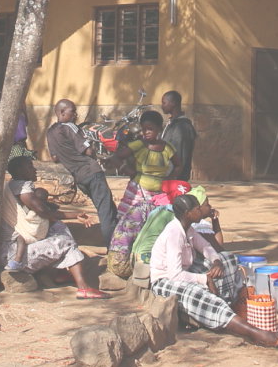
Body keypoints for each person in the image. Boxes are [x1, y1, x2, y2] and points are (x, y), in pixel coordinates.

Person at [148, 194, 278, 347]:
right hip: (165, 281)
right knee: (199, 294)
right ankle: (257, 334)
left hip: (185, 272)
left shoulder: (188, 229)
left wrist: (216, 262)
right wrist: (204, 279)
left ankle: (232, 306)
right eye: (197, 209)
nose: (200, 211)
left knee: (227, 259)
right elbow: (175, 275)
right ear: (187, 214)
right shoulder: (174, 233)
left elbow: (205, 247)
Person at [2, 156, 111, 299]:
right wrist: (74, 214)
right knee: (66, 241)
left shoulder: (11, 186)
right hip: (17, 256)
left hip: (6, 253)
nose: (35, 170)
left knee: (57, 227)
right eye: (30, 167)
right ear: (20, 171)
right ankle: (83, 288)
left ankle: (59, 273)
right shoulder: (23, 188)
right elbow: (43, 211)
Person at [106, 111, 176, 270]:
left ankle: (147, 256)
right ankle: (122, 255)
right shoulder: (138, 145)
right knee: (129, 222)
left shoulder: (167, 148)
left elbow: (178, 164)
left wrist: (169, 180)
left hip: (159, 194)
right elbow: (116, 157)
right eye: (144, 129)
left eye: (150, 129)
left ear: (159, 128)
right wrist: (129, 171)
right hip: (137, 190)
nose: (146, 133)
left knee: (153, 224)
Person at [43, 99, 118, 239]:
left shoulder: (50, 132)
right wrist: (95, 152)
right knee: (106, 211)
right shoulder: (70, 126)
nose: (75, 114)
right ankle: (113, 246)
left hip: (79, 178)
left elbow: (55, 157)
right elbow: (88, 151)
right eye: (73, 111)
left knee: (109, 209)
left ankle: (119, 241)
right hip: (91, 172)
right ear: (62, 112)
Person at [160, 91, 198, 181]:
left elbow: (180, 155)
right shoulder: (172, 124)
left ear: (173, 103)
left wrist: (171, 177)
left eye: (164, 103)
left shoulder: (182, 127)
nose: (162, 106)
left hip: (175, 178)